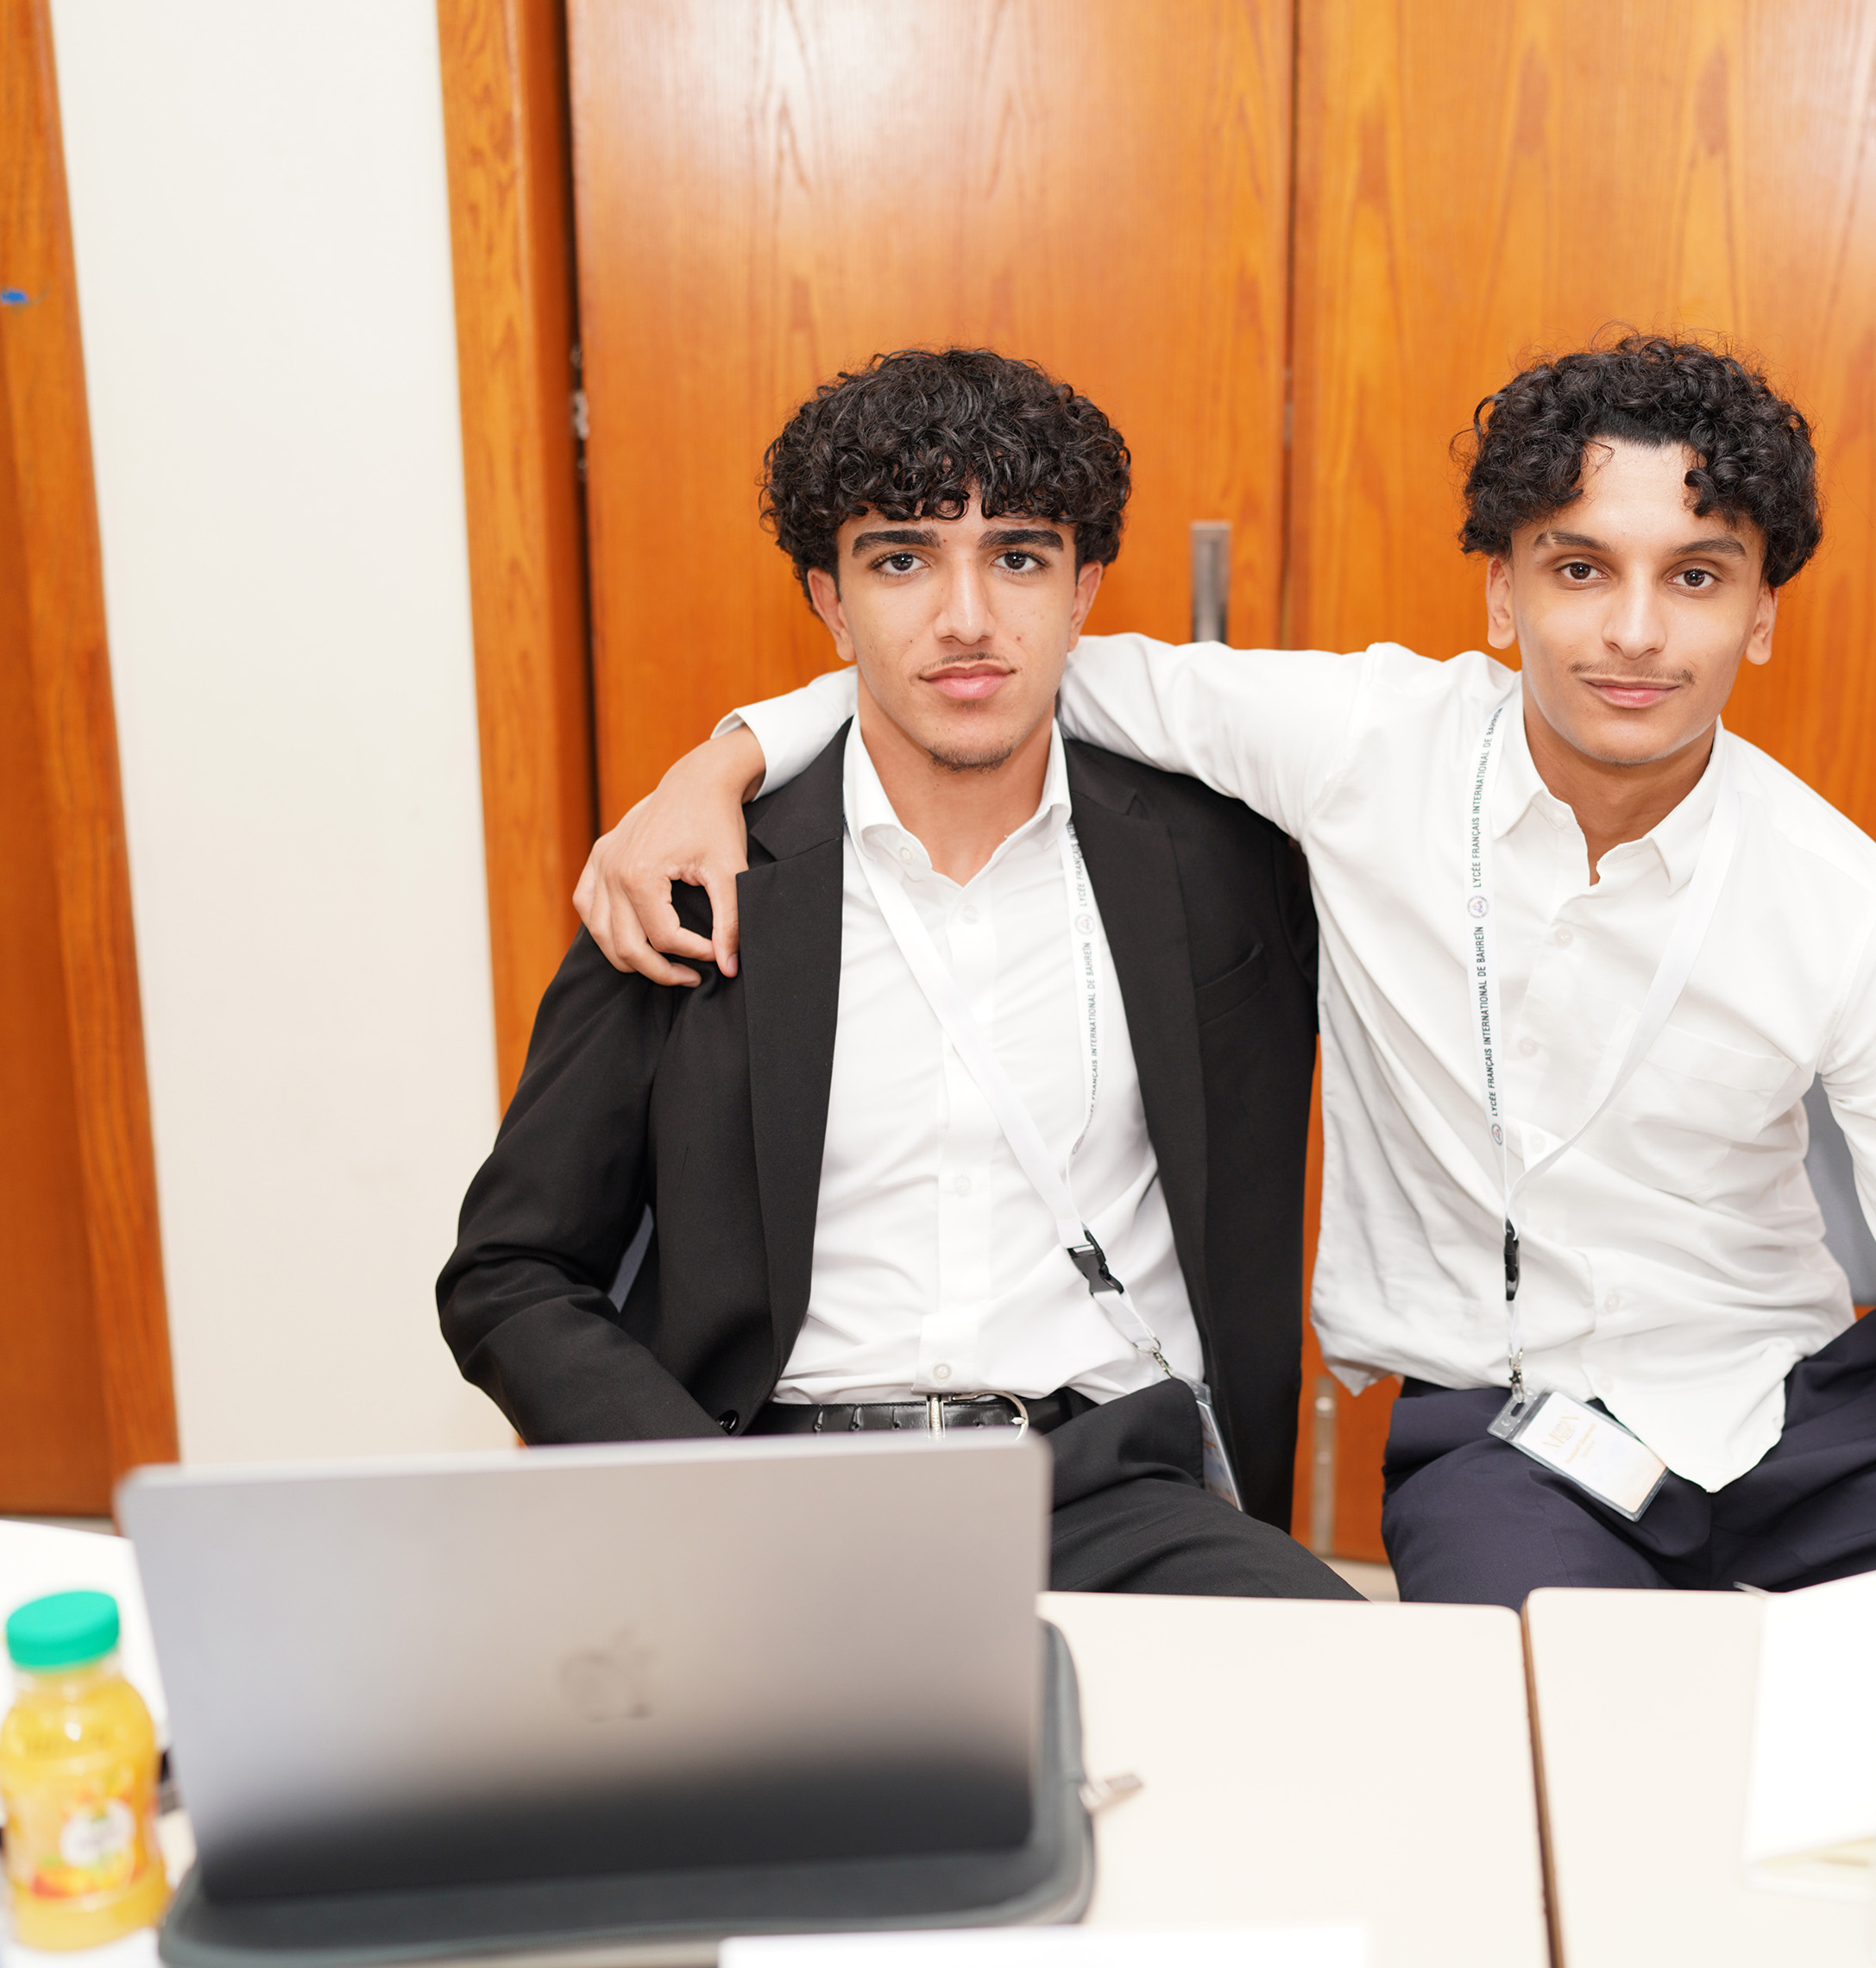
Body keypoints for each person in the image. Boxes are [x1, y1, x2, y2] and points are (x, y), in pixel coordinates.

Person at [581, 334, 1876, 1608]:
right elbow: (992, 656)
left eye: (1695, 576)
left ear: (1763, 613)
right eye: (1578, 568)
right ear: (1499, 590)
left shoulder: (1844, 903)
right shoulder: (1366, 746)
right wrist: (719, 762)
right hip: (1502, 1438)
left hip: (1799, 1414)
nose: (1633, 633)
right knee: (1541, 1772)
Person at [440, 348, 1359, 1600]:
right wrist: (688, 1498)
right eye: (902, 560)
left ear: (1084, 592)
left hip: (1106, 1488)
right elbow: (509, 1273)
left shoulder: (1219, 872)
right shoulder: (697, 876)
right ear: (830, 601)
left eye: (1018, 557)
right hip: (770, 1486)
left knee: (1351, 1690)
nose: (966, 617)